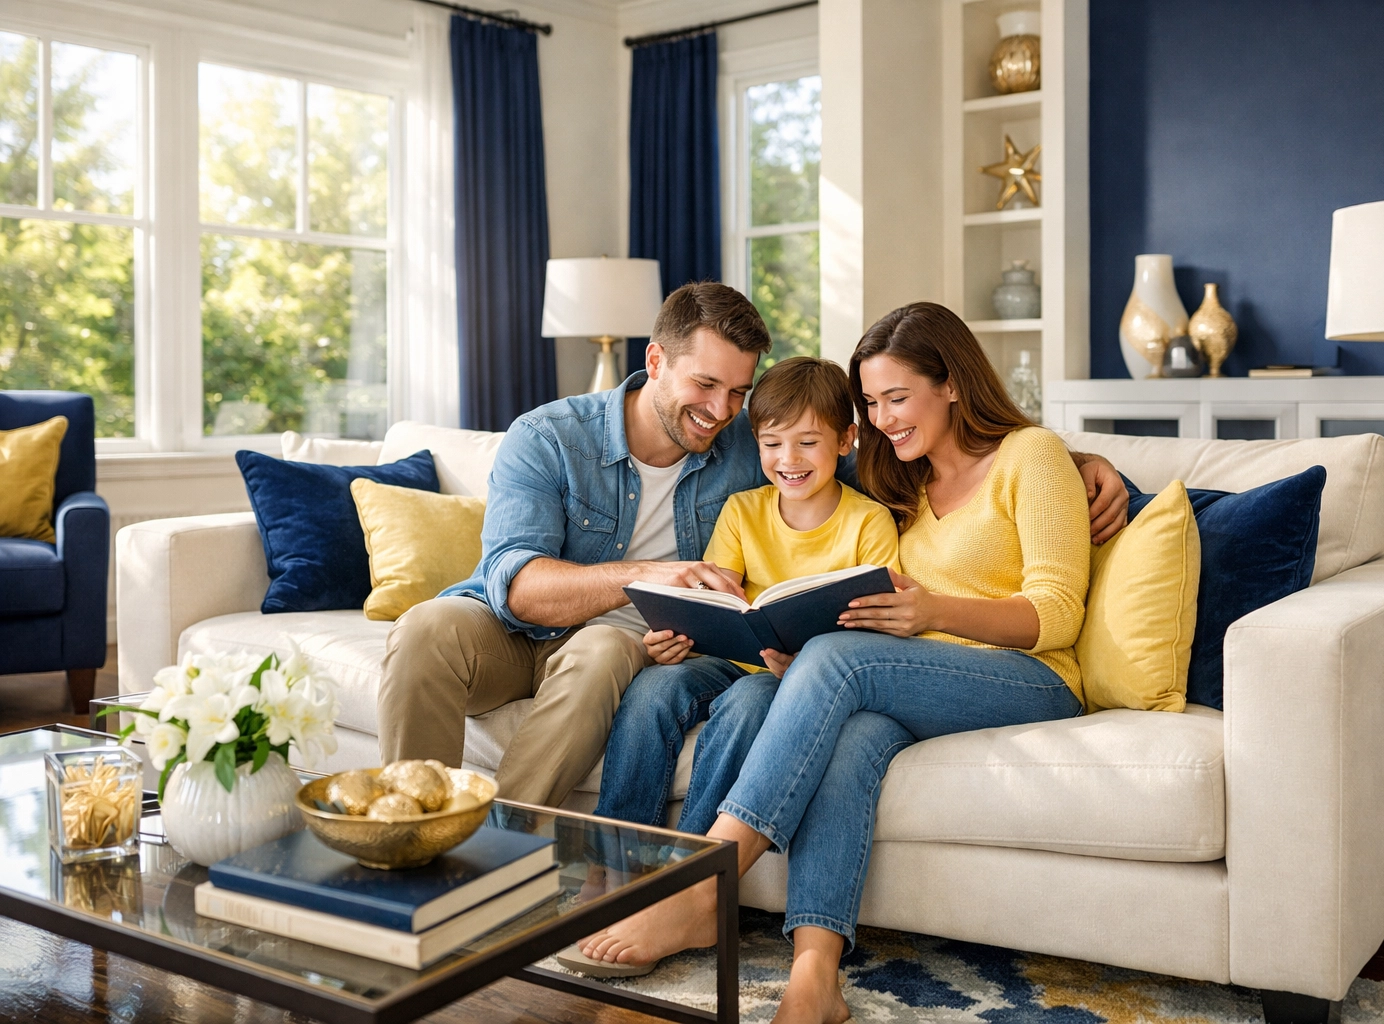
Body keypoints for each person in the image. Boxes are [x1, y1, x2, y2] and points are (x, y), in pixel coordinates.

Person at [377, 279, 1128, 811]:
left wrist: (1080, 464)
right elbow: (515, 585)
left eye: (738, 393)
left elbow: (863, 436)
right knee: (425, 629)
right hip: (515, 628)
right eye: (706, 386)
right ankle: (408, 833)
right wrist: (649, 572)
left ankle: (502, 847)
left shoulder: (753, 443)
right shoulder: (549, 436)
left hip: (623, 643)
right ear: (655, 361)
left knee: (611, 652)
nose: (719, 412)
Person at [576, 302, 1096, 1024]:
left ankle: (700, 889)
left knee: (836, 661)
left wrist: (937, 610)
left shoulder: (1029, 456)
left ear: (952, 384)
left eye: (899, 398)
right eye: (874, 403)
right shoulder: (899, 477)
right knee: (849, 743)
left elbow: (1059, 613)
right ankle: (815, 975)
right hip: (913, 679)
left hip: (1029, 679)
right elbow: (805, 452)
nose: (884, 419)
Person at [558, 358, 902, 975]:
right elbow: (720, 600)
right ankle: (614, 866)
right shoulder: (743, 511)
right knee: (654, 688)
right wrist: (679, 638)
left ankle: (685, 884)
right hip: (727, 657)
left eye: (808, 442)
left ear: (846, 441)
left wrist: (801, 659)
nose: (787, 458)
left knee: (747, 704)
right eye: (771, 443)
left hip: (796, 680)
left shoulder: (869, 521)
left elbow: (871, 628)